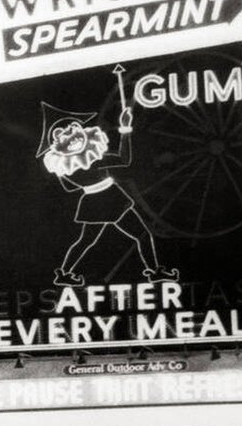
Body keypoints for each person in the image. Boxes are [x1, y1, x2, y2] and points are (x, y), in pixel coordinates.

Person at [38, 101, 178, 288]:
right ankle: (154, 271)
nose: (72, 137)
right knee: (134, 235)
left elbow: (70, 188)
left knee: (90, 240)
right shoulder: (91, 162)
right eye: (64, 135)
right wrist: (125, 129)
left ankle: (65, 273)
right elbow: (124, 160)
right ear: (58, 144)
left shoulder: (71, 168)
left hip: (100, 200)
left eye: (73, 130)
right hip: (106, 199)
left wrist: (66, 174)